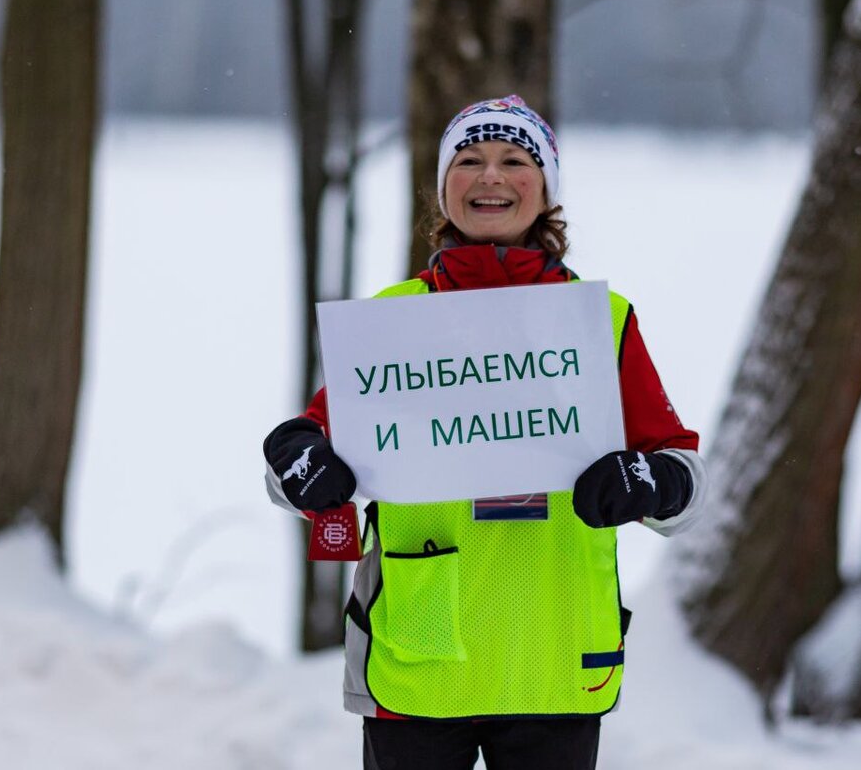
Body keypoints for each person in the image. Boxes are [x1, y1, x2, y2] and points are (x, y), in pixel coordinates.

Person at [263, 95, 707, 770]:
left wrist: (648, 481)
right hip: (420, 656)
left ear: (546, 187)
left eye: (513, 160)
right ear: (444, 188)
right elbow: (299, 467)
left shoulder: (601, 322)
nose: (490, 176)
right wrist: (297, 458)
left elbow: (686, 489)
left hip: (554, 659)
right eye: (468, 160)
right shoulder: (394, 320)